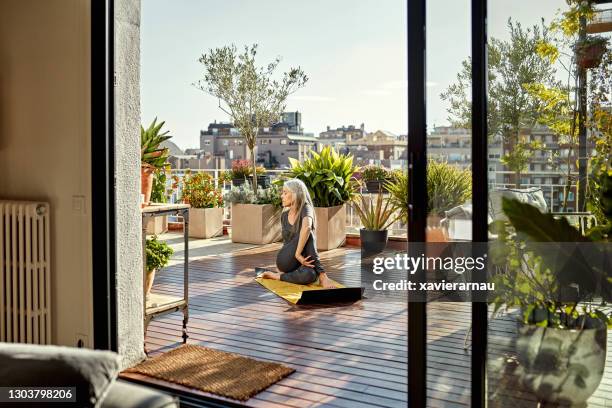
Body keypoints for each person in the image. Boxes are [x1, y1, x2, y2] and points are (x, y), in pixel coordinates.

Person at [258, 179, 335, 288]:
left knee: (310, 275)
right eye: (282, 193)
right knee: (308, 234)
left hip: (301, 262)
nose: (281, 196)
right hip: (286, 260)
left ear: (295, 194)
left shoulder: (305, 208)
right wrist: (297, 254)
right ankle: (322, 275)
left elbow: (307, 226)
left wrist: (299, 257)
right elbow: (306, 229)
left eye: (285, 193)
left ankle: (278, 276)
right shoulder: (284, 215)